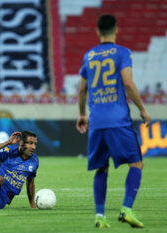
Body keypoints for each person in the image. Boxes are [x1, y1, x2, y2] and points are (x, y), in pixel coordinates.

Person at [76, 14, 151, 229]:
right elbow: (127, 83)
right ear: (116, 30)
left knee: (101, 168)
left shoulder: (88, 55)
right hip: (118, 120)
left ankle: (100, 217)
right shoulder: (122, 53)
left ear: (97, 32)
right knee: (136, 163)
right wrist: (142, 109)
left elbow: (82, 89)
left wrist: (82, 114)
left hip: (97, 121)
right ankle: (126, 209)